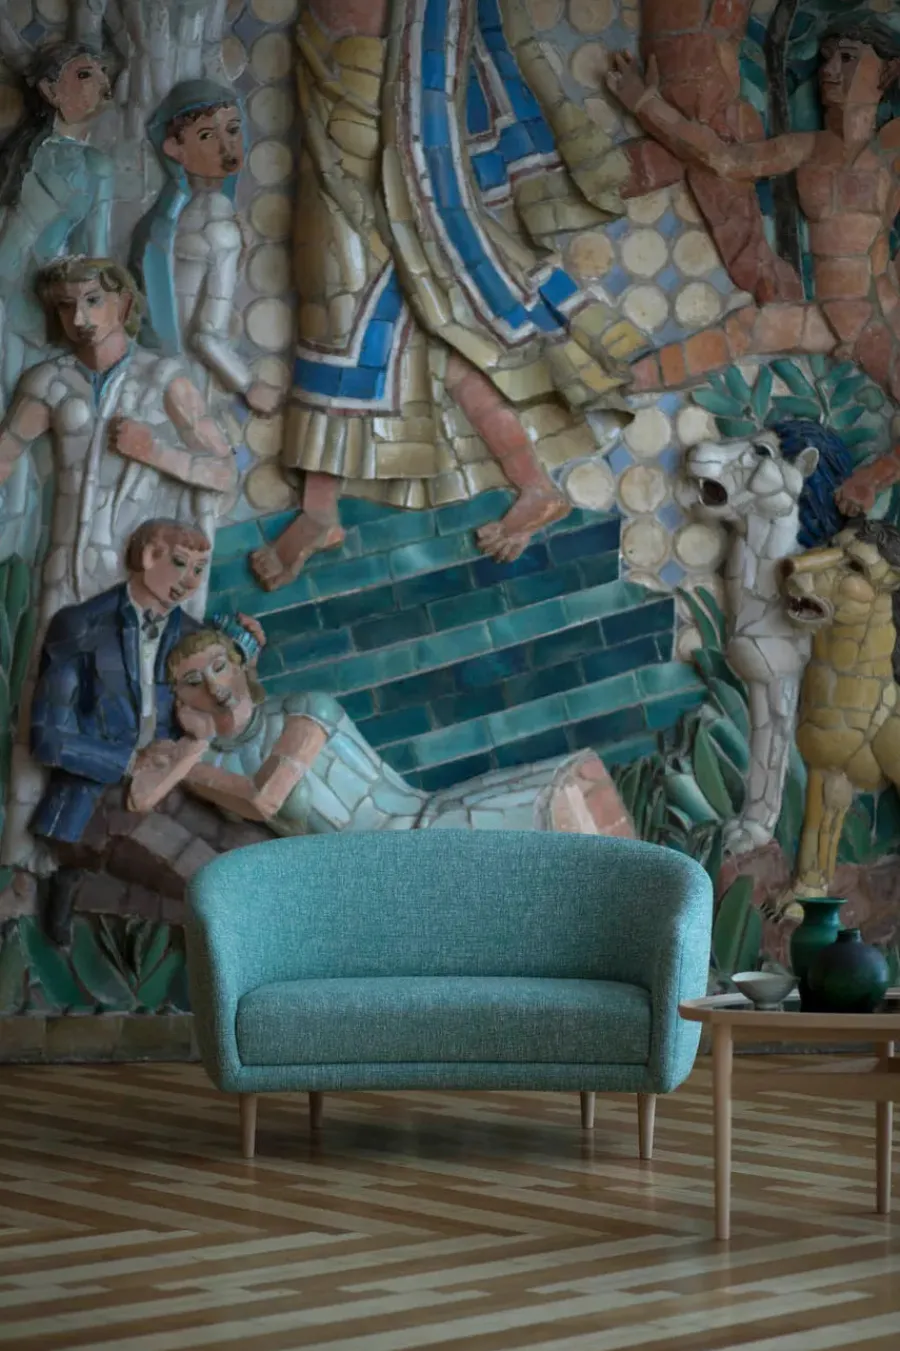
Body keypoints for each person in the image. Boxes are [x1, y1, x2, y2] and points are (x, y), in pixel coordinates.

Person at [248, 0, 644, 590]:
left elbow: (428, 98)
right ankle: (526, 484)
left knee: (354, 327)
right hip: (328, 191)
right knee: (387, 334)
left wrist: (417, 205)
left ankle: (323, 508)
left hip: (394, 194)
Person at [0, 259, 239, 876]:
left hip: (145, 570)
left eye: (92, 301)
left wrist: (156, 452)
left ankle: (127, 828)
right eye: (65, 306)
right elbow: (6, 454)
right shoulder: (50, 381)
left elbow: (223, 471)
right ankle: (26, 862)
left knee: (143, 693)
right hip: (66, 566)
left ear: (124, 305)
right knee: (43, 704)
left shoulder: (164, 378)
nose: (79, 318)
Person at [606, 19, 900, 515]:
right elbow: (725, 160)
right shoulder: (808, 148)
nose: (830, 70)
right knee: (741, 330)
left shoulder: (892, 146)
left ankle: (872, 479)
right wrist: (645, 103)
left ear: (887, 73)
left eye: (848, 58)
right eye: (827, 57)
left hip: (878, 318)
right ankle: (621, 382)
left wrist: (872, 478)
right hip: (824, 315)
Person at [128, 626, 634, 842]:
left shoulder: (305, 711)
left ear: (241, 664)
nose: (214, 686)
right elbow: (140, 797)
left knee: (573, 787)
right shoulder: (205, 759)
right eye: (193, 681)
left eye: (219, 666)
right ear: (180, 699)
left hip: (412, 830)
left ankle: (651, 956)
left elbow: (265, 799)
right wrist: (193, 749)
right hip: (371, 871)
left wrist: (189, 765)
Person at [28, 520, 263, 943]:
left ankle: (91, 893)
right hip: (92, 799)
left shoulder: (191, 636)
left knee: (252, 850)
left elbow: (222, 716)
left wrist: (246, 663)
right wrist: (130, 762)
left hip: (167, 786)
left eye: (199, 569)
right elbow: (48, 739)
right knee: (208, 881)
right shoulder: (81, 626)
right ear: (149, 557)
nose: (190, 581)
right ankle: (73, 881)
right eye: (180, 564)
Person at [129, 79, 282, 416]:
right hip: (187, 379)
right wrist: (249, 385)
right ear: (174, 148)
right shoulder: (216, 227)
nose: (227, 147)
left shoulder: (173, 216)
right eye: (206, 136)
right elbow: (206, 336)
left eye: (233, 130)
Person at [0, 42, 114, 405]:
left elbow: (94, 255)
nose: (101, 82)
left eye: (102, 73)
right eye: (84, 74)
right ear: (51, 91)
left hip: (37, 301)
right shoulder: (20, 151)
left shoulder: (96, 166)